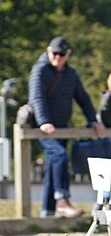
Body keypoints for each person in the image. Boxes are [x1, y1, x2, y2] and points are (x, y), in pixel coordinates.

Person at [28, 36, 104, 218]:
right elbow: (36, 98)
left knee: (54, 164)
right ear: (48, 51)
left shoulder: (71, 74)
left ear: (67, 55)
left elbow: (83, 98)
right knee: (60, 156)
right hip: (42, 127)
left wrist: (93, 120)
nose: (58, 57)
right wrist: (44, 121)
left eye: (61, 54)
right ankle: (63, 200)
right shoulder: (39, 71)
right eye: (54, 53)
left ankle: (47, 212)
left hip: (62, 127)